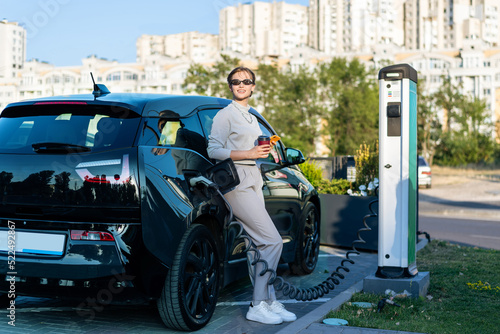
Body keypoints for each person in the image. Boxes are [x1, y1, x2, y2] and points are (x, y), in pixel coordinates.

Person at [207, 67, 297, 325]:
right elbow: (213, 149)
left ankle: (269, 300)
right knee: (273, 242)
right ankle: (257, 304)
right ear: (230, 86)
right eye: (236, 82)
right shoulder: (225, 115)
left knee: (256, 246)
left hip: (253, 179)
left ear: (253, 86)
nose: (241, 85)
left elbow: (253, 149)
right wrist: (248, 153)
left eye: (246, 81)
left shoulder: (251, 116)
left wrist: (262, 152)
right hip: (236, 183)